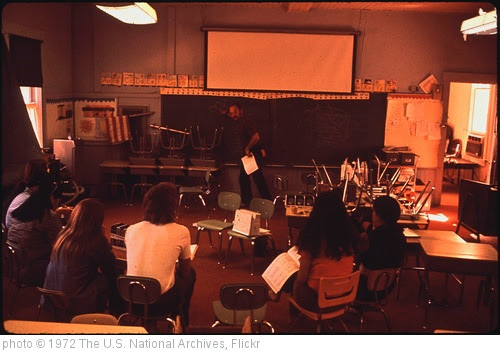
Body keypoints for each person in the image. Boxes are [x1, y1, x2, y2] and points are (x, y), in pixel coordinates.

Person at [125, 182, 196, 327]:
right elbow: (185, 271)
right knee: (191, 274)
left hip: (130, 299)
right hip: (161, 303)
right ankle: (182, 318)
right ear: (173, 207)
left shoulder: (131, 229)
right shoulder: (181, 231)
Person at [42, 198, 122, 317]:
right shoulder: (94, 240)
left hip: (51, 297)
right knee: (113, 278)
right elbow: (110, 268)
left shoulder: (63, 235)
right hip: (74, 301)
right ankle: (116, 315)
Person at [290, 190, 356, 312]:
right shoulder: (349, 236)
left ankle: (294, 316)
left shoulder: (312, 239)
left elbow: (302, 278)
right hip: (344, 297)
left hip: (317, 301)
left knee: (291, 277)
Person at [6, 169, 63, 286]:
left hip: (10, 266)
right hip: (30, 269)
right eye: (58, 202)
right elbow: (58, 245)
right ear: (51, 198)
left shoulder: (22, 209)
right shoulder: (48, 216)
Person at [356, 195, 406, 300]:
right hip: (387, 288)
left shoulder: (368, 238)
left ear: (378, 216)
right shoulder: (401, 237)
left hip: (363, 288)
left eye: (373, 211)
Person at [227, 103, 272, 206]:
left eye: (235, 112)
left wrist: (248, 147)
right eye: (231, 113)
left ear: (241, 111)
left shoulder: (246, 122)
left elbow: (256, 137)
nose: (234, 115)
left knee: (253, 178)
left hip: (252, 154)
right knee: (247, 178)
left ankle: (261, 201)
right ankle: (253, 201)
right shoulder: (239, 123)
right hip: (248, 155)